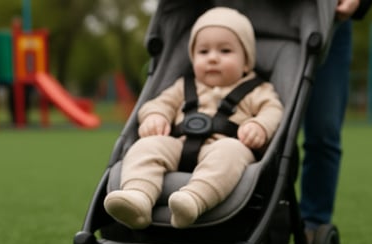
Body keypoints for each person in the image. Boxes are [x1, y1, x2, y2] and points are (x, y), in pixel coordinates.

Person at [104, 7, 283, 229]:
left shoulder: (258, 90)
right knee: (146, 146)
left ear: (246, 61)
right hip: (177, 144)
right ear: (192, 57)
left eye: (225, 51)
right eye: (203, 52)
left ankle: (192, 200)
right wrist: (155, 116)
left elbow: (273, 111)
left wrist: (259, 125)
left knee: (231, 153)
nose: (213, 58)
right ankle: (138, 198)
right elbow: (160, 103)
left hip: (224, 145)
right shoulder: (183, 86)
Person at [300, 0, 372, 242]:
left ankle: (314, 225)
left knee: (324, 129)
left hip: (329, 22)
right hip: (257, 17)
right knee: (255, 121)